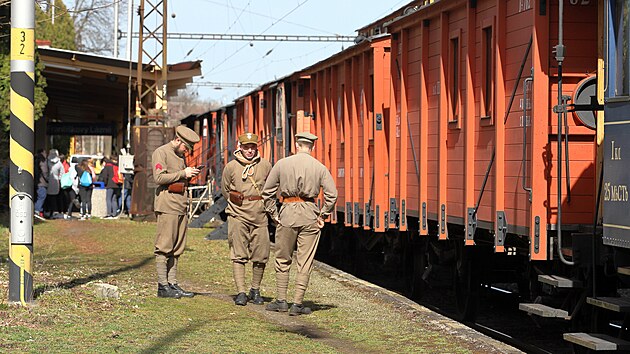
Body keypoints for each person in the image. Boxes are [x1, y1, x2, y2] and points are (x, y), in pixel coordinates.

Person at [262, 132, 337, 316]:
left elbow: (267, 192)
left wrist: (274, 214)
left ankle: (281, 301)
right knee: (305, 261)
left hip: (287, 212)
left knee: (282, 258)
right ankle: (297, 304)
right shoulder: (319, 167)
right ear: (312, 146)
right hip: (310, 213)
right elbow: (332, 195)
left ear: (296, 144)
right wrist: (323, 215)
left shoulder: (282, 164)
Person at [221, 133, 272, 306]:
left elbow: (272, 188)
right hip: (237, 214)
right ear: (239, 147)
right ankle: (241, 291)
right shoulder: (231, 167)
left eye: (252, 147)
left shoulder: (265, 165)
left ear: (256, 147)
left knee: (261, 254)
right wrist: (236, 204)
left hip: (259, 215)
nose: (249, 150)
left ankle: (255, 289)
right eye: (246, 147)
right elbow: (225, 189)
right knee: (238, 254)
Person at [152, 125, 200, 299]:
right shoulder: (161, 152)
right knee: (164, 246)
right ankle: (162, 285)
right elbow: (158, 178)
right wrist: (183, 173)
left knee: (177, 246)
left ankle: (172, 283)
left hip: (180, 204)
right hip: (168, 205)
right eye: (185, 147)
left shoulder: (179, 155)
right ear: (178, 140)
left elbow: (178, 176)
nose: (186, 151)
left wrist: (187, 174)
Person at [46, 149, 64, 217]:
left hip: (48, 181)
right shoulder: (59, 163)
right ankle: (53, 211)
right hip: (56, 181)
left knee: (49, 197)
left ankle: (48, 211)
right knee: (55, 197)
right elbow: (62, 172)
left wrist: (47, 178)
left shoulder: (47, 162)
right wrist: (59, 178)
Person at [34, 149, 48, 220]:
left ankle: (38, 211)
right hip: (41, 182)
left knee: (37, 196)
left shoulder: (35, 159)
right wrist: (48, 179)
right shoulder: (43, 161)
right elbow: (44, 172)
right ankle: (37, 211)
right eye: (45, 152)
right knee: (42, 196)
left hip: (36, 182)